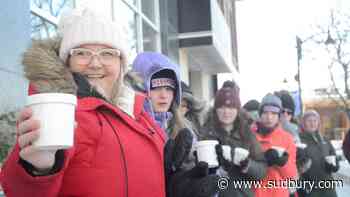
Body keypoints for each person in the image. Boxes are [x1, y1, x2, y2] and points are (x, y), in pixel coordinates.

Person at [0, 9, 166, 197]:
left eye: (107, 54)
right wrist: (37, 169)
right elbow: (20, 191)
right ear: (67, 62)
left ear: (121, 64)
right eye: (82, 53)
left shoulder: (140, 113)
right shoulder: (56, 115)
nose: (95, 63)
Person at [130, 52, 219, 197]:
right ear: (141, 88)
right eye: (156, 87)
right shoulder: (129, 125)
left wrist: (213, 171)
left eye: (169, 88)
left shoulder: (183, 128)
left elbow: (200, 182)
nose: (164, 95)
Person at [201, 86, 267, 197]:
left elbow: (262, 170)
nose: (226, 112)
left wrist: (247, 165)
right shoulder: (206, 134)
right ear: (215, 109)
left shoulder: (247, 135)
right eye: (221, 107)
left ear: (237, 110)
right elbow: (199, 172)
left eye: (231, 107)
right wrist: (214, 166)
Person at [253, 93, 298, 197]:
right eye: (265, 113)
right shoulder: (250, 137)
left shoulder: (287, 138)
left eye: (273, 113)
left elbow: (292, 176)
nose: (269, 117)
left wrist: (283, 162)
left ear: (279, 116)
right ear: (260, 114)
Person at [298, 110, 339, 197]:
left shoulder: (324, 140)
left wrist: (333, 166)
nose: (312, 124)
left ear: (318, 123)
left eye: (315, 121)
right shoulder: (299, 141)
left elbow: (335, 161)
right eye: (309, 121)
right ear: (304, 123)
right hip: (311, 189)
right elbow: (295, 166)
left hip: (328, 188)